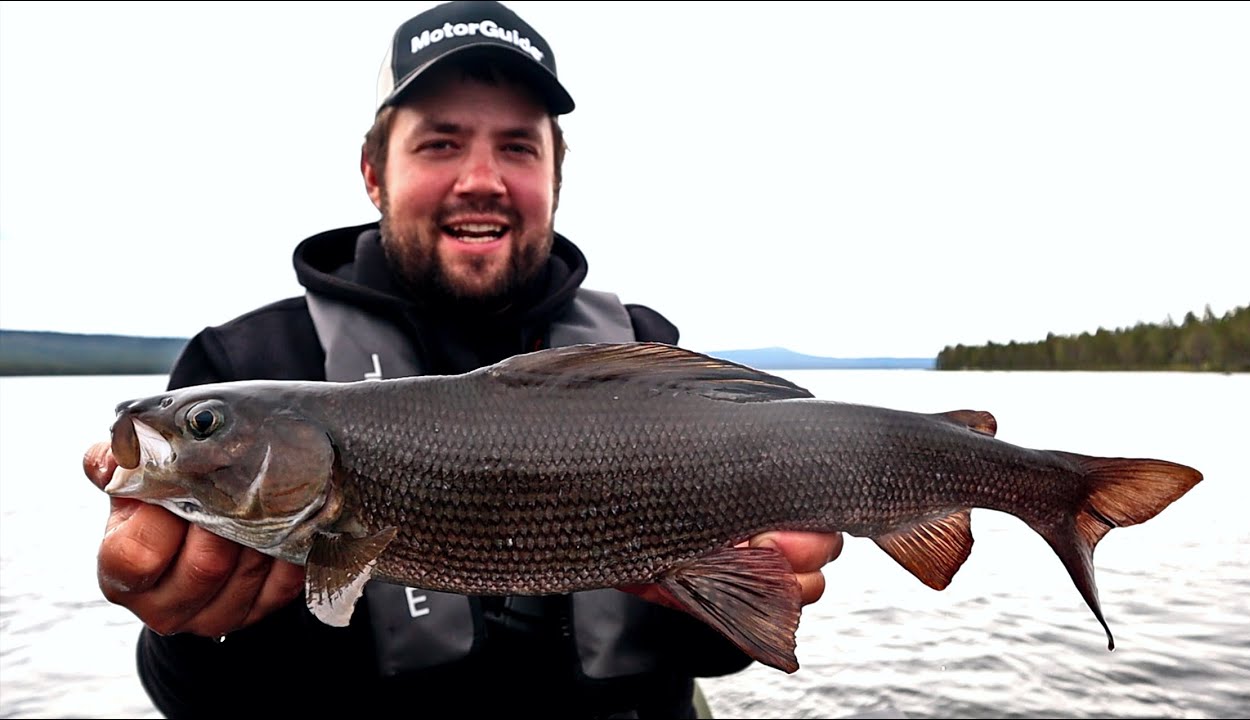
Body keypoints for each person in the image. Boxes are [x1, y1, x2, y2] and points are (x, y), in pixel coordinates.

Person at [81, 2, 844, 717]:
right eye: (440, 143)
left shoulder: (638, 349)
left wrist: (742, 597)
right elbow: (188, 696)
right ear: (374, 173)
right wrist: (190, 625)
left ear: (554, 178)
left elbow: (712, 659)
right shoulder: (243, 360)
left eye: (517, 147)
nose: (481, 180)